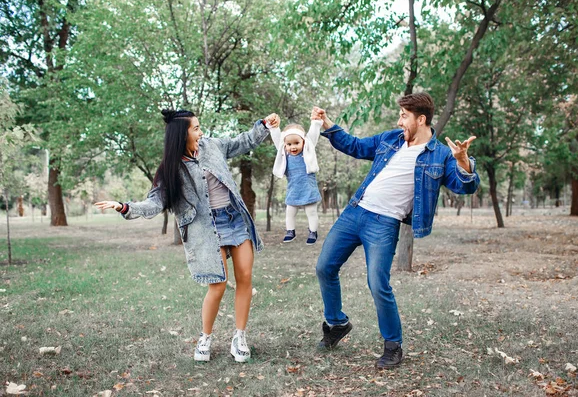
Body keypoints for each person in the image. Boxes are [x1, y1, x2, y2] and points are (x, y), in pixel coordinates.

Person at [95, 109, 280, 363]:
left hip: (233, 219)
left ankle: (240, 337)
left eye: (199, 127)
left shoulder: (212, 146)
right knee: (217, 284)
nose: (201, 132)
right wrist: (125, 207)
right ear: (182, 135)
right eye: (195, 128)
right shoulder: (171, 168)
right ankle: (205, 337)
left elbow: (242, 142)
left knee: (245, 277)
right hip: (206, 228)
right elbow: (155, 202)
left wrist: (264, 125)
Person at [312, 92, 480, 369]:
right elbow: (355, 146)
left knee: (378, 284)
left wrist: (463, 161)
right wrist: (329, 125)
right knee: (324, 267)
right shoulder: (390, 139)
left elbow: (465, 186)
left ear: (421, 119)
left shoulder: (440, 155)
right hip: (356, 212)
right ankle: (337, 323)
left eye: (404, 116)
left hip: (384, 223)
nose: (399, 120)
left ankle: (393, 346)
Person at [269, 119, 322, 245]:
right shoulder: (284, 154)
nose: (292, 147)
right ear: (285, 145)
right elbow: (278, 140)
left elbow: (313, 134)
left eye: (296, 143)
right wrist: (274, 128)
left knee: (311, 212)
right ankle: (290, 231)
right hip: (293, 189)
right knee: (290, 212)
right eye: (289, 144)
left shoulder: (308, 151)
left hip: (308, 189)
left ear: (304, 142)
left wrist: (315, 121)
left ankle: (313, 232)